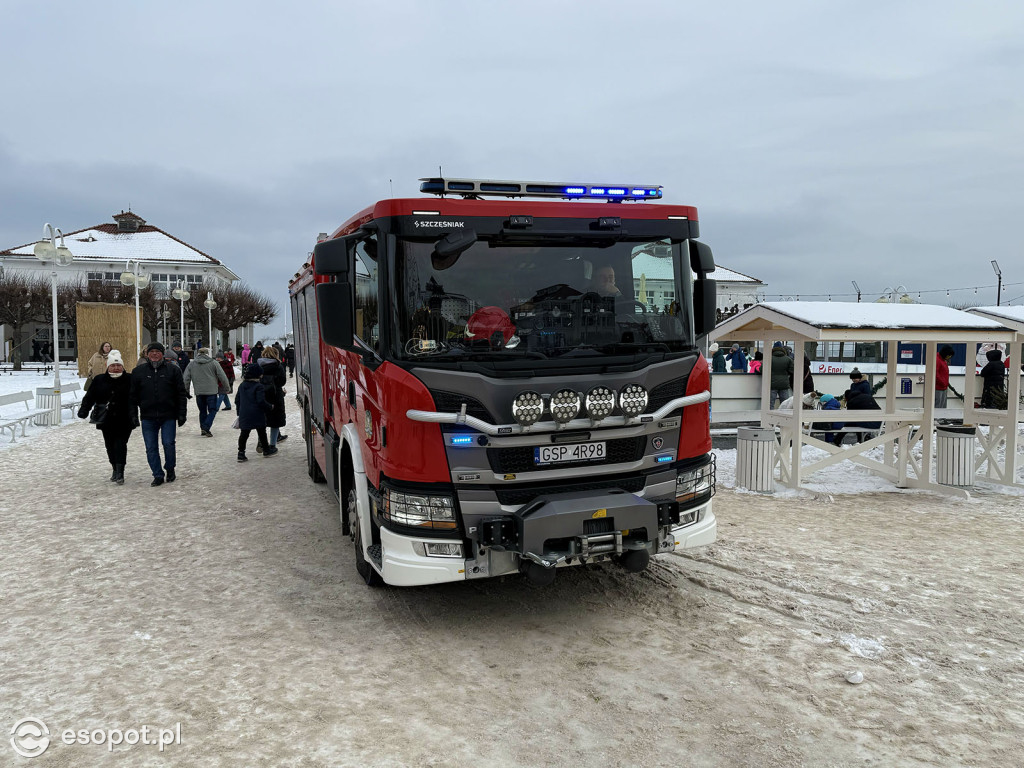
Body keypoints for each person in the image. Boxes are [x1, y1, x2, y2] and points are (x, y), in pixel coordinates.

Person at [130, 342, 188, 487]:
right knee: (151, 447)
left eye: (157, 351)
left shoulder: (173, 370)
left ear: (162, 353)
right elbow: (132, 396)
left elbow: (181, 393)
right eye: (152, 351)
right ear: (147, 354)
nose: (154, 354)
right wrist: (133, 415)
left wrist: (182, 413)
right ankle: (157, 474)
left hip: (168, 414)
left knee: (168, 444)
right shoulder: (138, 372)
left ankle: (170, 468)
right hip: (148, 416)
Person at [77, 350, 138, 485]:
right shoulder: (99, 379)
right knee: (109, 445)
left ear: (122, 366)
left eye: (118, 366)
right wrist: (84, 410)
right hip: (106, 419)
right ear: (108, 366)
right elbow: (90, 397)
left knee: (120, 444)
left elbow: (138, 396)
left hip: (125, 418)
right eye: (113, 366)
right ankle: (114, 468)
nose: (116, 368)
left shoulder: (129, 379)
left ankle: (120, 471)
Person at [183, 347, 230, 437]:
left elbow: (186, 379)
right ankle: (206, 426)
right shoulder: (214, 363)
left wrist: (186, 391)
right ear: (207, 354)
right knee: (212, 410)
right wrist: (227, 388)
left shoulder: (192, 364)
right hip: (211, 391)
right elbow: (222, 376)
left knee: (202, 410)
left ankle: (203, 428)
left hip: (199, 392)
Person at [235, 362, 275, 460]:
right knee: (261, 432)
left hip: (244, 413)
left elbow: (237, 400)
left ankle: (241, 453)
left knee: (244, 433)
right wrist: (270, 406)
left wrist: (239, 412)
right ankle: (266, 449)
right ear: (257, 374)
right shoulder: (258, 386)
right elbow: (261, 401)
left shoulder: (242, 385)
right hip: (257, 413)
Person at [257, 344, 287, 452]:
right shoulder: (278, 366)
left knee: (262, 420)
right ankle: (273, 445)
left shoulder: (258, 366)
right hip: (275, 396)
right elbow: (282, 381)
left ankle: (261, 441)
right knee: (275, 421)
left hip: (261, 395)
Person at [769, 342, 793, 408]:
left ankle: (770, 417)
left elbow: (761, 369)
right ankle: (784, 417)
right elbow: (792, 371)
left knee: (770, 404)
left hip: (771, 384)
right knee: (785, 404)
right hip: (784, 384)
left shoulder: (769, 359)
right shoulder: (788, 359)